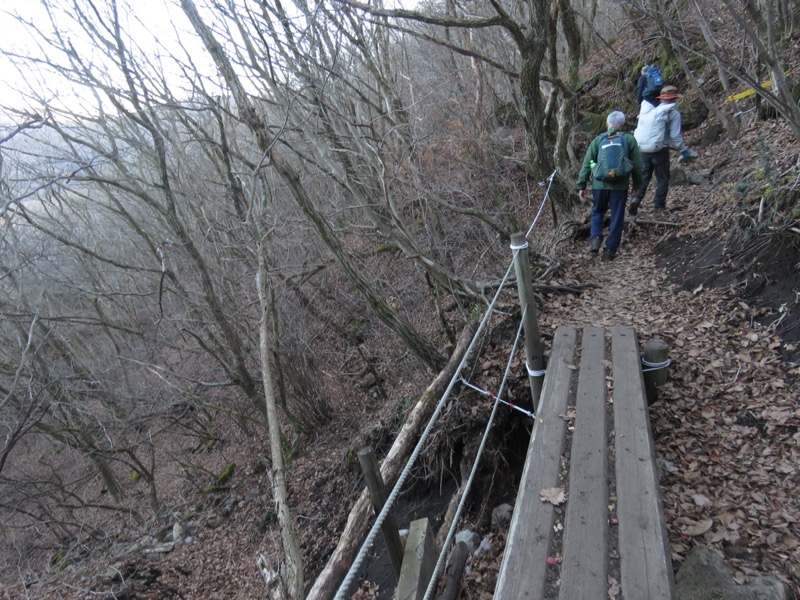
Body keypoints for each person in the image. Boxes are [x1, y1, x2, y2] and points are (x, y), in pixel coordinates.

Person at [576, 111, 643, 261]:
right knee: (617, 216)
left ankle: (595, 239)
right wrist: (637, 184)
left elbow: (587, 164)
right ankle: (609, 251)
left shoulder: (598, 140)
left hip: (599, 185)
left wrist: (581, 185)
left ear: (607, 124)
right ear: (622, 125)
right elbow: (638, 166)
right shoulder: (629, 140)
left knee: (597, 211)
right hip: (620, 186)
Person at [629, 85, 698, 216]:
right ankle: (659, 206)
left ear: (661, 99)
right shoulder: (673, 113)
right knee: (662, 178)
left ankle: (636, 199)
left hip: (643, 149)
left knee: (644, 176)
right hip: (660, 150)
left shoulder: (651, 111)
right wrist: (684, 151)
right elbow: (675, 136)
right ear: (674, 99)